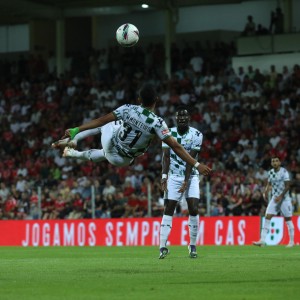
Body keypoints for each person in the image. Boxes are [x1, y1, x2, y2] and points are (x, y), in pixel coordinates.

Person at [52, 84, 212, 178]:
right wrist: (196, 164)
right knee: (105, 154)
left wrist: (76, 129)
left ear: (139, 100)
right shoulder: (158, 123)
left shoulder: (128, 109)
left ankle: (74, 139)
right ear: (156, 100)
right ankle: (72, 153)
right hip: (123, 160)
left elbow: (100, 120)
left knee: (105, 125)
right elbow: (176, 147)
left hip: (110, 144)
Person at [159, 106, 203, 259]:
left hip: (191, 176)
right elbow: (166, 157)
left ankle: (192, 245)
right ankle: (162, 246)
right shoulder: (167, 133)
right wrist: (164, 177)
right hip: (173, 177)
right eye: (179, 118)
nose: (182, 120)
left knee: (193, 207)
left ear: (189, 119)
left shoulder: (197, 135)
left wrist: (186, 180)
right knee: (169, 207)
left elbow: (190, 160)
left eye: (185, 118)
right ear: (176, 119)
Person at [253, 156, 294, 247]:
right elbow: (269, 183)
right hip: (275, 198)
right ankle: (262, 240)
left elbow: (288, 186)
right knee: (267, 216)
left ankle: (291, 241)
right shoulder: (270, 172)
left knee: (288, 219)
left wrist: (281, 196)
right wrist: (265, 191)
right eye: (273, 161)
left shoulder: (284, 172)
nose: (275, 162)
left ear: (279, 162)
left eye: (276, 161)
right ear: (271, 164)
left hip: (284, 199)